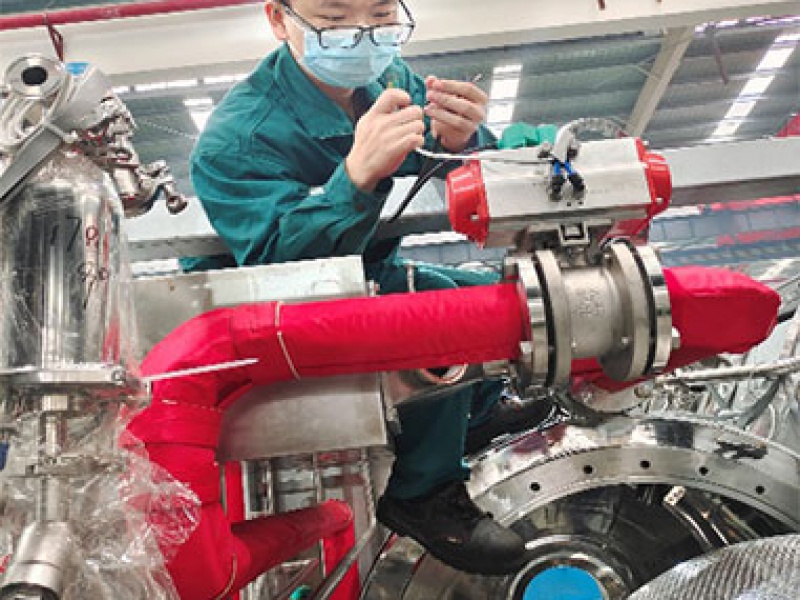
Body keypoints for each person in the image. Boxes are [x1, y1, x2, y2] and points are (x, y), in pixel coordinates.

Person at [187, 0, 528, 575]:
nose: (362, 35)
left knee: (497, 294)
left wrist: (463, 142)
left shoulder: (389, 79)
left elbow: (447, 164)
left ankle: (473, 414)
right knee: (439, 310)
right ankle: (421, 493)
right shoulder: (236, 139)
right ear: (279, 19)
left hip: (363, 276)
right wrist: (354, 178)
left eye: (379, 13)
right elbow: (279, 268)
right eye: (334, 18)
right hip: (271, 308)